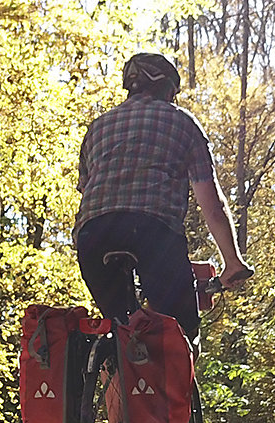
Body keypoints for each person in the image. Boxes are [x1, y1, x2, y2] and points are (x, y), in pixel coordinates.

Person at [74, 52, 253, 352]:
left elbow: (86, 190)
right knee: (180, 334)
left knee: (119, 334)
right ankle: (174, 385)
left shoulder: (97, 128)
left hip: (93, 236)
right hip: (153, 233)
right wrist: (232, 262)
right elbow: (212, 205)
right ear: (167, 89)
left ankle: (109, 381)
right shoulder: (182, 123)